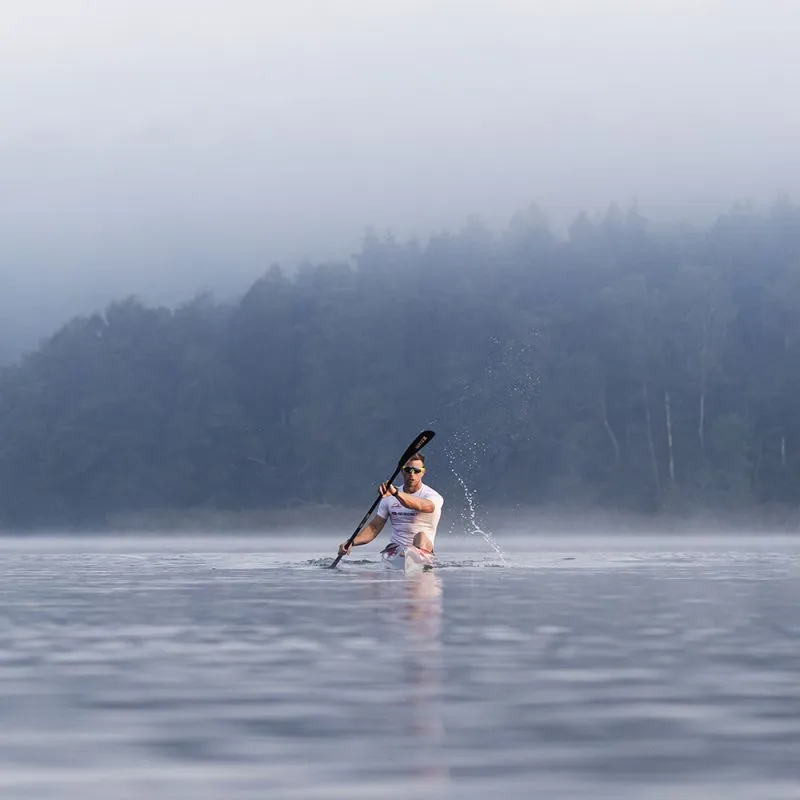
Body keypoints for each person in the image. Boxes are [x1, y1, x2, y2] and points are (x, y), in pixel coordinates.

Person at [338, 453, 444, 560]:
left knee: (421, 536)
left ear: (423, 472)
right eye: (408, 470)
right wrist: (351, 542)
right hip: (396, 549)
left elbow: (424, 506)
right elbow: (374, 528)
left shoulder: (432, 496)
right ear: (402, 471)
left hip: (423, 548)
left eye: (416, 471)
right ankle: (404, 557)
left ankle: (414, 558)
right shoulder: (388, 497)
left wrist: (396, 493)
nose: (412, 474)